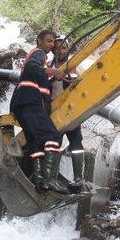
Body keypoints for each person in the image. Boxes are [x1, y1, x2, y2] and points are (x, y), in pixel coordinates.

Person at [9, 29, 68, 194]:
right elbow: (31, 67)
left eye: (52, 42)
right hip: (30, 103)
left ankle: (40, 183)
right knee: (53, 136)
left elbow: (35, 74)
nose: (51, 45)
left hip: (22, 104)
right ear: (39, 40)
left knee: (37, 142)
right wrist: (54, 72)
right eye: (48, 41)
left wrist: (50, 76)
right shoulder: (39, 53)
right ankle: (50, 179)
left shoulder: (42, 61)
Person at [48, 36, 86, 192]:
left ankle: (78, 179)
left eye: (63, 48)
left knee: (76, 143)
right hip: (54, 113)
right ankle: (51, 178)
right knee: (54, 143)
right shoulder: (48, 67)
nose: (60, 50)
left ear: (68, 50)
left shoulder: (76, 67)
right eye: (57, 48)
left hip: (71, 113)